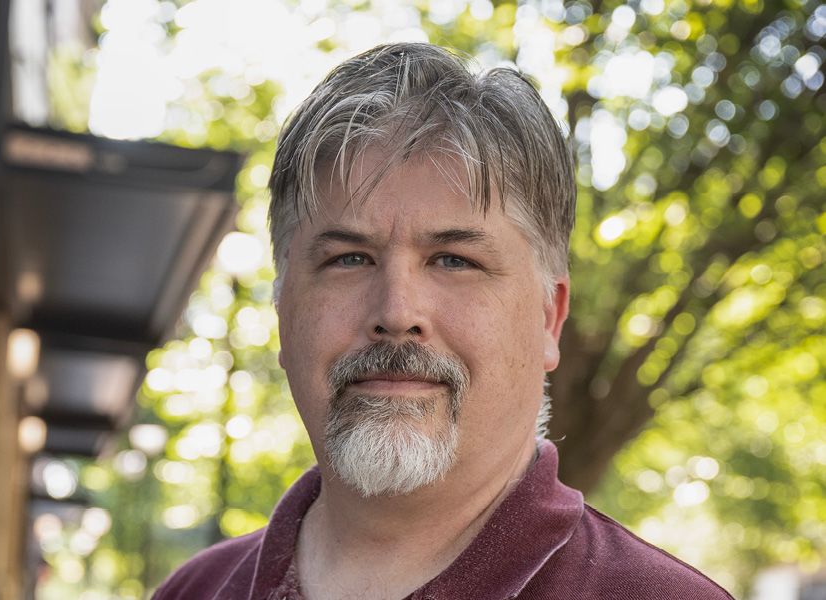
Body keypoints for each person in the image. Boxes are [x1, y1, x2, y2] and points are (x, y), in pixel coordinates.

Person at [153, 42, 733, 600]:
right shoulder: (191, 592)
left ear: (548, 318)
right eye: (348, 259)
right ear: (283, 312)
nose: (397, 313)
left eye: (455, 260)